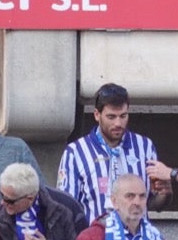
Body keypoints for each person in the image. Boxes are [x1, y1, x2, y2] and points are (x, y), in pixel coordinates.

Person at [56, 83, 168, 227]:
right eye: (111, 117)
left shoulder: (145, 146)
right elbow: (65, 208)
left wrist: (166, 193)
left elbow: (153, 204)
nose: (118, 123)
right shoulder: (75, 152)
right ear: (97, 115)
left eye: (123, 116)